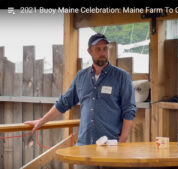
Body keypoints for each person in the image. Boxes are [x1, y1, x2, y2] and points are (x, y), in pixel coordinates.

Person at [25, 33, 137, 168]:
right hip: (84, 147)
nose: (102, 52)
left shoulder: (122, 77)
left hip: (111, 147)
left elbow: (129, 109)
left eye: (105, 48)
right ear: (90, 51)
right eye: (98, 49)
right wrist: (41, 121)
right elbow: (64, 102)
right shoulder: (80, 77)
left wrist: (123, 141)